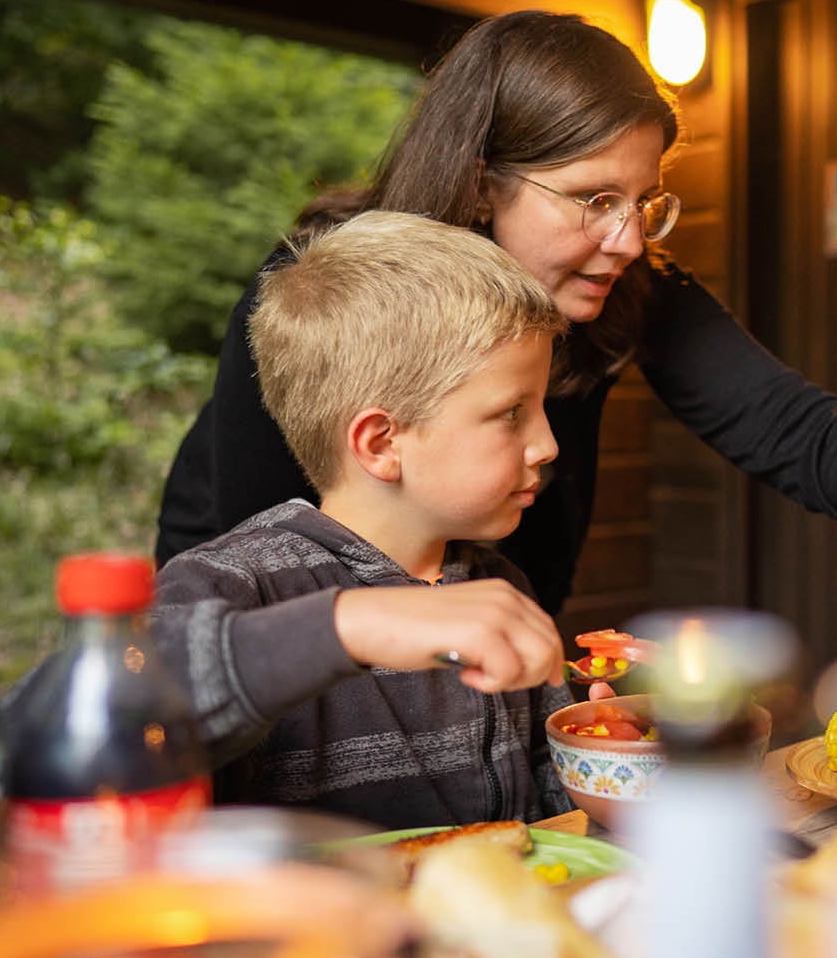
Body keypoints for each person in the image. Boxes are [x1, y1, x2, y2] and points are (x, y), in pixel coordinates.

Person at [156, 10, 837, 641]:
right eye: (592, 199)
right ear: (477, 185)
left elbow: (794, 427)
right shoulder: (320, 297)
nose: (629, 239)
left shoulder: (630, 295)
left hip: (496, 660)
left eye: (646, 200)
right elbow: (237, 575)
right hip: (288, 667)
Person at [147, 211, 573, 828]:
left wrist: (596, 751)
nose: (548, 444)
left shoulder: (497, 587)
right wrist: (346, 625)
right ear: (380, 443)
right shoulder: (234, 586)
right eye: (512, 413)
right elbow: (115, 697)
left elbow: (547, 819)